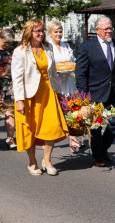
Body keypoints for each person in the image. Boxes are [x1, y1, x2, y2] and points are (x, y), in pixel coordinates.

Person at [11, 19, 69, 176]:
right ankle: (32, 162)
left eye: (42, 30)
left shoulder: (48, 47)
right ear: (29, 32)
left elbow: (53, 72)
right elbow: (17, 78)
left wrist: (59, 92)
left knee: (51, 127)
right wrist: (19, 100)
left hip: (48, 92)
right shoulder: (20, 51)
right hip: (29, 95)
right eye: (37, 31)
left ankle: (47, 160)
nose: (41, 33)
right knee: (30, 130)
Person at [75, 16, 115, 167]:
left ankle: (102, 148)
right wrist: (84, 97)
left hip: (113, 91)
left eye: (111, 29)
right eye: (106, 29)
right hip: (94, 93)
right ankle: (98, 156)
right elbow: (80, 73)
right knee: (96, 126)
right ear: (97, 30)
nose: (109, 32)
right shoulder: (87, 47)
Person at [47, 20, 82, 153]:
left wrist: (73, 65)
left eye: (60, 31)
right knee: (57, 112)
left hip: (68, 81)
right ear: (50, 33)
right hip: (55, 82)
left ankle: (73, 139)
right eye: (56, 32)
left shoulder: (66, 45)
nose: (59, 34)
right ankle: (49, 140)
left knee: (71, 110)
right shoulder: (47, 47)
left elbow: (72, 61)